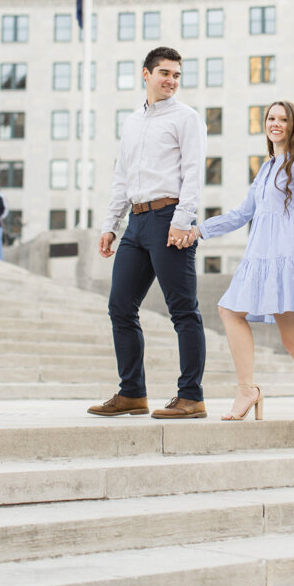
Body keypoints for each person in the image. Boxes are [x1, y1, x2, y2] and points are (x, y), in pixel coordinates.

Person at [192, 100, 294, 453]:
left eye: (283, 119)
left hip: (289, 261)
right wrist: (199, 230)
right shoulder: (266, 168)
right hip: (260, 259)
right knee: (230, 311)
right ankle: (248, 390)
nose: (275, 124)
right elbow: (242, 213)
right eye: (271, 118)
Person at [88, 46, 208, 420]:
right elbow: (122, 176)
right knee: (120, 307)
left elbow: (193, 172)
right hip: (136, 224)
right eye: (164, 73)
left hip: (170, 217)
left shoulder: (187, 118)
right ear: (146, 74)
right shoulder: (132, 122)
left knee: (183, 311)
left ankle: (191, 397)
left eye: (176, 75)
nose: (171, 80)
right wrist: (111, 224)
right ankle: (131, 394)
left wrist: (182, 219)